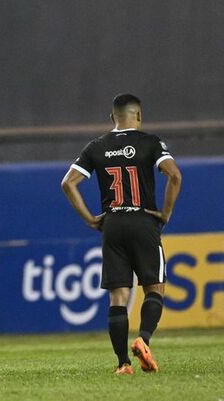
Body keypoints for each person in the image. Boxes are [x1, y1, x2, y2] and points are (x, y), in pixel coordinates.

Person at [61, 94, 182, 375]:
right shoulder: (151, 142)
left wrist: (90, 218)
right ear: (138, 115)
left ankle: (122, 364)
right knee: (154, 287)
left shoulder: (97, 146)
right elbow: (174, 175)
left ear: (112, 117)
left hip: (113, 223)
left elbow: (68, 183)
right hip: (143, 220)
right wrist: (165, 213)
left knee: (118, 297)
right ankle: (144, 340)